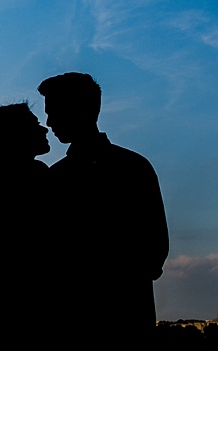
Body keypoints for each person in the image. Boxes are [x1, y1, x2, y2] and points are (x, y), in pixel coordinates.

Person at [37, 72, 168, 349]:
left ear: (81, 110)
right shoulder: (134, 167)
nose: (49, 122)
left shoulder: (57, 178)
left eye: (54, 112)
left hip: (95, 321)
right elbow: (156, 247)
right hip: (124, 316)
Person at [0, 103, 51, 343]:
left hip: (11, 288)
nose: (44, 129)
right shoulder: (34, 175)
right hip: (33, 289)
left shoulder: (0, 180)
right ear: (17, 135)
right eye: (35, 124)